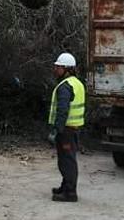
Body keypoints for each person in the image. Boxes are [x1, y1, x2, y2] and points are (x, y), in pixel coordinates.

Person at [47, 52, 85, 202]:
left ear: (67, 69)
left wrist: (56, 130)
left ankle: (70, 193)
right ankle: (65, 186)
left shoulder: (65, 86)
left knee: (66, 161)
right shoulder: (77, 83)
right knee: (68, 159)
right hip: (72, 128)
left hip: (66, 130)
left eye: (58, 67)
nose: (55, 69)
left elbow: (62, 111)